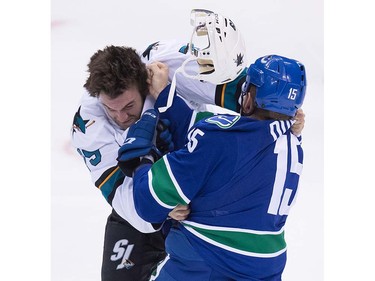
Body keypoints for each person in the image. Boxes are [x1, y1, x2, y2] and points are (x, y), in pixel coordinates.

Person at [71, 9, 253, 281]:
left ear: (143, 84)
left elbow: (242, 90)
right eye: (112, 109)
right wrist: (160, 206)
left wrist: (279, 112)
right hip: (144, 203)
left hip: (200, 193)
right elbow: (123, 195)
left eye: (129, 106)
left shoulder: (167, 64)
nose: (121, 118)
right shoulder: (88, 123)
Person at [116, 54, 307, 280]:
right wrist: (164, 94)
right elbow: (215, 134)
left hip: (207, 263)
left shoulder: (221, 139)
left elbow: (149, 203)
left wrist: (142, 161)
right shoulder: (293, 144)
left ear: (248, 100)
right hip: (267, 269)